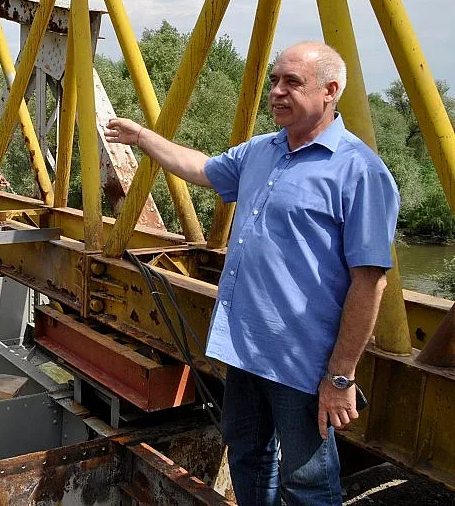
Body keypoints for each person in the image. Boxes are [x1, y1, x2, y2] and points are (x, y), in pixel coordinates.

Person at [105, 41, 399, 506]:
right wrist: (144, 137)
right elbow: (200, 168)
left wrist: (340, 377)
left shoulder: (360, 171)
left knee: (308, 482)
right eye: (275, 81)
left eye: (292, 83)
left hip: (302, 363)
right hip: (243, 348)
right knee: (247, 457)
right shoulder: (262, 150)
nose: (277, 92)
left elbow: (370, 281)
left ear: (330, 91)